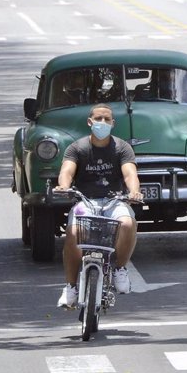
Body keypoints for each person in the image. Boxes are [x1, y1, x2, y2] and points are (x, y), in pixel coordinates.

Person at [55, 103, 143, 308]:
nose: (102, 123)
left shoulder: (122, 147)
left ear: (113, 123)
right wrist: (64, 186)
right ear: (89, 122)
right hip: (85, 202)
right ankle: (70, 286)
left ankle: (120, 268)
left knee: (128, 224)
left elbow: (130, 174)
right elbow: (66, 171)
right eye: (98, 119)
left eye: (106, 119)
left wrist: (133, 192)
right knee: (73, 232)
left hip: (114, 201)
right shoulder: (77, 148)